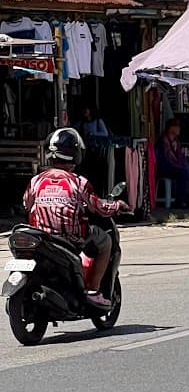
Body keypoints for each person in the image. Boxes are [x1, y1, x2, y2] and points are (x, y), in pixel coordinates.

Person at [24, 127, 128, 305]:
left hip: (41, 237)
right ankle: (94, 290)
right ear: (76, 153)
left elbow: (26, 204)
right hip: (71, 238)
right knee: (105, 241)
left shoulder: (36, 180)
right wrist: (118, 205)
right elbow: (100, 208)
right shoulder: (79, 182)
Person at [156, 117, 189, 205]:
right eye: (177, 126)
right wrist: (179, 166)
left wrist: (183, 165)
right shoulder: (163, 142)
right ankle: (180, 201)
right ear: (171, 128)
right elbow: (164, 160)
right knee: (183, 172)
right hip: (165, 168)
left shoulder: (176, 142)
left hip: (175, 166)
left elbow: (181, 157)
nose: (179, 129)